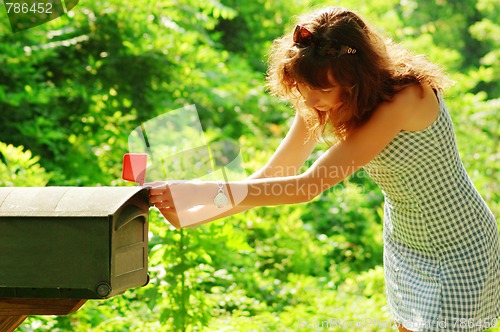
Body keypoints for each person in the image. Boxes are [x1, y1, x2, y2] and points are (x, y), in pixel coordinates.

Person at [148, 6, 499, 332]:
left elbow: (308, 186)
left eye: (322, 89)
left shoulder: (408, 96)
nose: (312, 100)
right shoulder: (326, 98)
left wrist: (197, 191)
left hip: (460, 246)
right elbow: (276, 176)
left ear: (356, 75)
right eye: (303, 87)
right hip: (407, 243)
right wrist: (196, 213)